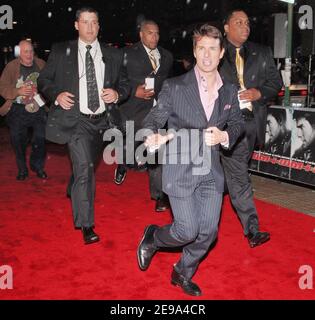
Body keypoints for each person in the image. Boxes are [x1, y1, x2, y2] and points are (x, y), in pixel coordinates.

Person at [137, 24, 244, 296]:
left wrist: (223, 136)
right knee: (186, 230)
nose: (206, 55)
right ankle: (153, 237)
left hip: (211, 170)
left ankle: (182, 270)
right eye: (201, 48)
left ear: (221, 53)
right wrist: (153, 135)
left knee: (208, 232)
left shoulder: (230, 90)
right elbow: (154, 119)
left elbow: (237, 124)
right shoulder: (175, 86)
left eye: (212, 49)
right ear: (194, 52)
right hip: (181, 166)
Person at [38, 7, 129, 245]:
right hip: (75, 121)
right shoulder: (61, 51)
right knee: (86, 170)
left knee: (86, 166)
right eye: (85, 22)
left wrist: (117, 93)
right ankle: (86, 224)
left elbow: (126, 84)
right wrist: (56, 94)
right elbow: (43, 80)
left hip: (102, 121)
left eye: (94, 22)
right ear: (76, 25)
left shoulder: (113, 54)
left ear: (99, 26)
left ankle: (75, 185)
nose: (90, 27)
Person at [219, 9, 283, 247]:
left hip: (249, 123)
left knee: (237, 174)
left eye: (247, 22)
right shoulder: (214, 52)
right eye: (238, 22)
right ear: (226, 27)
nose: (245, 26)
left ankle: (249, 227)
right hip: (221, 125)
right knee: (231, 176)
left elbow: (276, 83)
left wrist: (259, 93)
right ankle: (250, 229)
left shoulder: (262, 52)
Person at [113, 20, 173, 212]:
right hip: (132, 110)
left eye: (156, 33)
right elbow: (115, 81)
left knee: (157, 150)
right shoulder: (126, 54)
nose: (154, 37)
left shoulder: (167, 56)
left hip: (156, 111)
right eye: (149, 33)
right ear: (140, 34)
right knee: (130, 148)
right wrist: (132, 91)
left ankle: (159, 196)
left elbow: (167, 83)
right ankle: (123, 164)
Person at [0, 40, 47, 181]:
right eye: (25, 52)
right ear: (19, 53)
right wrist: (17, 91)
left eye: (31, 51)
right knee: (17, 140)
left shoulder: (41, 64)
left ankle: (37, 166)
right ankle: (22, 169)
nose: (29, 54)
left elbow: (50, 83)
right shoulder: (11, 67)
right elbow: (2, 87)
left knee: (41, 138)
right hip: (17, 109)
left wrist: (43, 92)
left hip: (37, 108)